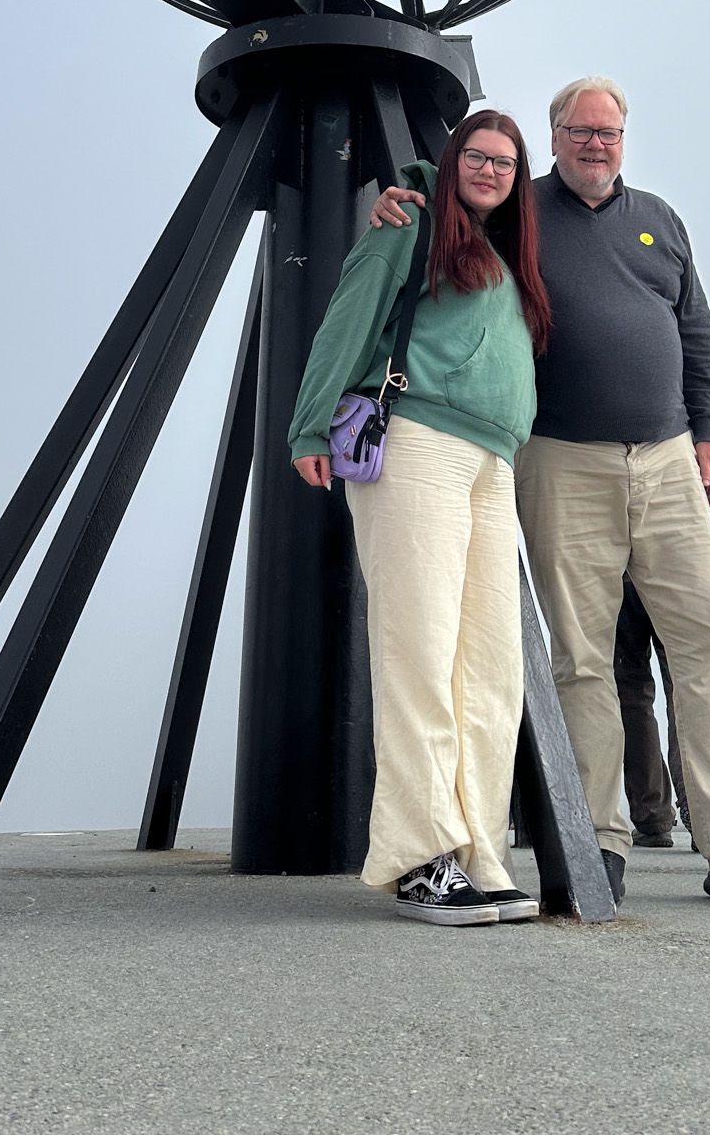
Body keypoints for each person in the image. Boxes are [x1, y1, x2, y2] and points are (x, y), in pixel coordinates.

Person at [369, 76, 710, 913]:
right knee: (582, 660)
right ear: (555, 135)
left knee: (709, 648)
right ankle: (597, 840)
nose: (594, 145)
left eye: (607, 132)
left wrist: (709, 432)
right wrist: (401, 199)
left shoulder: (661, 220)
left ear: (623, 138)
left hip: (671, 454)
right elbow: (453, 209)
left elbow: (695, 332)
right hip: (562, 460)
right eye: (578, 132)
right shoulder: (518, 215)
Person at [289, 111, 551, 928]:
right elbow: (348, 317)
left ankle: (477, 850)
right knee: (421, 652)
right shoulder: (409, 224)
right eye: (476, 155)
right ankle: (416, 858)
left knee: (491, 670)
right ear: (451, 160)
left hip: (492, 460)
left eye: (505, 162)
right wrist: (308, 423)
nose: (489, 170)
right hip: (416, 442)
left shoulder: (509, 255)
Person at [616, 485, 710, 847]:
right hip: (672, 581)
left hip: (620, 585)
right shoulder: (679, 444)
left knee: (633, 698)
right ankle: (702, 815)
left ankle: (651, 815)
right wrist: (680, 556)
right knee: (687, 689)